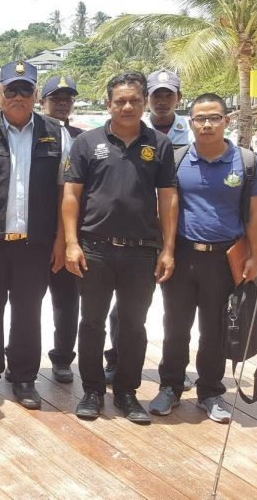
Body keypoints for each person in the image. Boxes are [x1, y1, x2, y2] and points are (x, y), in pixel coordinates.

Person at [63, 71, 178, 424]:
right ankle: (93, 391)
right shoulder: (86, 143)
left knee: (133, 324)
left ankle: (127, 392)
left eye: (134, 100)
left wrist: (168, 248)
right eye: (120, 101)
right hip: (94, 248)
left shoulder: (158, 144)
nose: (127, 106)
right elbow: (71, 195)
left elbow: (169, 199)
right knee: (92, 322)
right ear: (108, 104)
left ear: (144, 103)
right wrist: (71, 243)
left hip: (141, 250)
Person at [0, 60, 70, 410]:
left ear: (36, 95)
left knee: (28, 312)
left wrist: (62, 241)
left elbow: (67, 190)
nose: (18, 96)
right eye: (11, 90)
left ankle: (23, 378)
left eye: (26, 90)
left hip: (35, 244)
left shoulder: (55, 132)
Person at [148, 93, 257, 423]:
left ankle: (210, 391)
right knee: (175, 325)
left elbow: (255, 215)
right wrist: (167, 251)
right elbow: (165, 208)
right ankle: (170, 386)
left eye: (214, 117)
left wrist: (255, 257)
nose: (207, 124)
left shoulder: (245, 162)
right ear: (191, 122)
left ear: (227, 120)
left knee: (215, 329)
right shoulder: (177, 158)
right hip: (183, 255)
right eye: (200, 118)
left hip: (224, 259)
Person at [100, 69, 192, 384]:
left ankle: (172, 376)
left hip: (184, 234)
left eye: (169, 95)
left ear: (179, 98)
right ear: (147, 99)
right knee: (124, 310)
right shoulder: (127, 130)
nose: (162, 101)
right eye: (157, 95)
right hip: (141, 236)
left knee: (175, 312)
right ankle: (117, 360)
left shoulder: (196, 132)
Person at [40, 75, 84, 383]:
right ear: (42, 102)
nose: (62, 103)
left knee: (67, 301)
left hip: (69, 233)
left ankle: (63, 358)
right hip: (32, 232)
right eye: (56, 98)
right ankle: (17, 355)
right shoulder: (31, 134)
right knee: (24, 302)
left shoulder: (84, 139)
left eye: (67, 98)